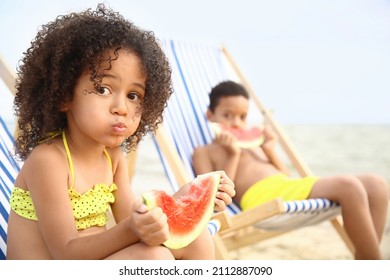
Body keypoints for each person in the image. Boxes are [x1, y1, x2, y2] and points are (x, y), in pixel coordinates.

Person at [6, 4, 235, 260]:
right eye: (103, 89)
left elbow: (133, 221)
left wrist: (180, 203)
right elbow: (66, 252)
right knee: (154, 258)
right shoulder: (48, 160)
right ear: (64, 94)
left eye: (134, 95)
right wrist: (130, 229)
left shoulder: (112, 156)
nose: (122, 108)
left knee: (199, 239)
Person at [192, 80, 389, 260]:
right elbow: (215, 201)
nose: (236, 123)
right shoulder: (205, 152)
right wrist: (233, 155)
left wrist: (269, 151)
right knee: (349, 186)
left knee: (377, 184)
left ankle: (366, 259)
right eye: (227, 115)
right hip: (263, 197)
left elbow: (286, 177)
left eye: (242, 117)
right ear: (210, 115)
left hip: (288, 188)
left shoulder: (254, 145)